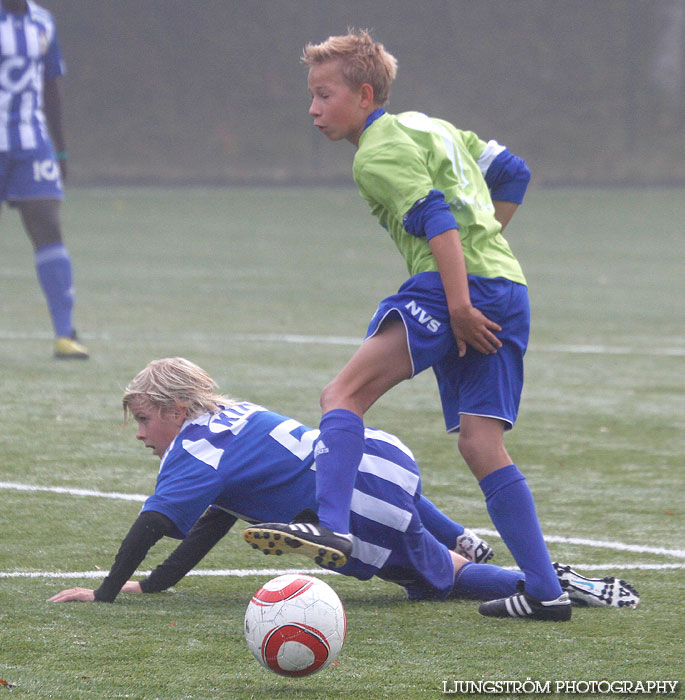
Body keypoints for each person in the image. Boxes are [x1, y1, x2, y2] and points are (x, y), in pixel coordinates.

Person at [247, 29, 569, 621]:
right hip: (508, 287)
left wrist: (461, 301)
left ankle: (333, 530)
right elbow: (514, 173)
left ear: (364, 94)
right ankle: (546, 593)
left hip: (458, 292)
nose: (313, 109)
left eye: (324, 95)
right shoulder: (433, 126)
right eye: (311, 96)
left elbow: (439, 222)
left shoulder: (376, 154)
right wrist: (485, 251)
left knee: (342, 393)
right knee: (481, 443)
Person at [48, 358, 640, 615]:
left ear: (177, 409)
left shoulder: (193, 447)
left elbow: (151, 525)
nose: (142, 434)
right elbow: (213, 521)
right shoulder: (233, 415)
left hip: (357, 506)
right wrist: (152, 587)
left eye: (145, 419)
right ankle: (460, 534)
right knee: (429, 550)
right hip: (378, 456)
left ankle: (553, 582)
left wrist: (105, 593)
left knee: (439, 585)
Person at [0, 0, 87, 359]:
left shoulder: (43, 22)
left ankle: (65, 334)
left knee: (47, 223)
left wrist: (60, 150)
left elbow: (51, 88)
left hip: (32, 144)